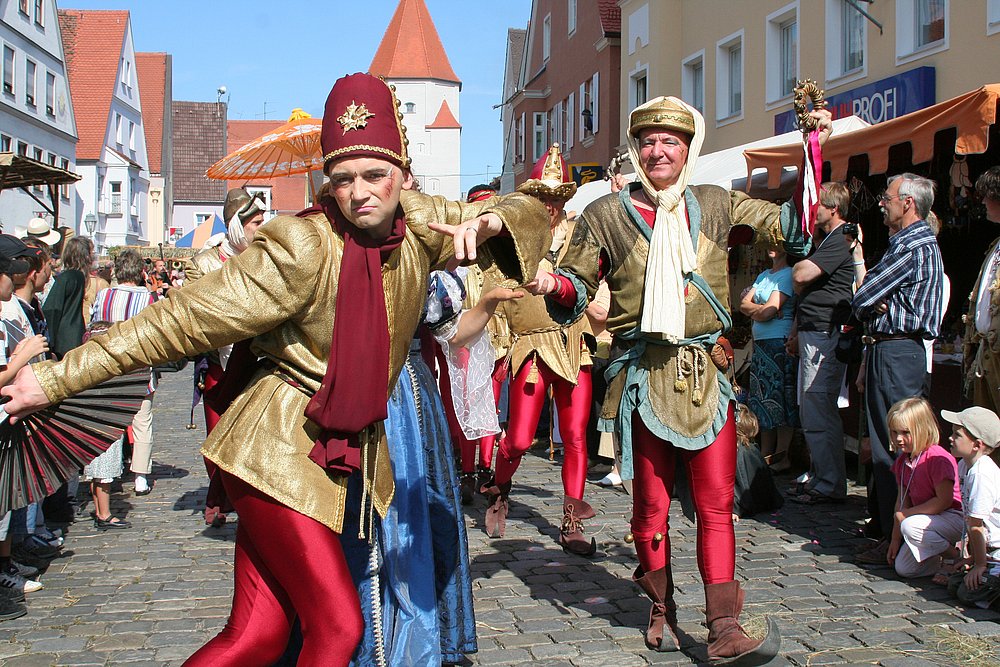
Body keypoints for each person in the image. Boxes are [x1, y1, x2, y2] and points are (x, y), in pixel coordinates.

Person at [0, 72, 547, 666]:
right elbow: (178, 320)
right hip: (275, 451)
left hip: (334, 451)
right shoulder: (299, 246)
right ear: (326, 182)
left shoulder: (419, 222)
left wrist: (489, 221)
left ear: (402, 172)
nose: (360, 192)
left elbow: (528, 211)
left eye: (374, 175)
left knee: (256, 635)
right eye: (342, 179)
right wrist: (53, 378)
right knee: (338, 628)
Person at [526, 96, 831, 661]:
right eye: (648, 140)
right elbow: (573, 282)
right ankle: (661, 604)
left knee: (717, 504)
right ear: (637, 152)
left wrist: (812, 152)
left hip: (708, 378)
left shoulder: (714, 203)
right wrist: (553, 286)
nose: (658, 149)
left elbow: (790, 226)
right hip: (645, 379)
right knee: (651, 510)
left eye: (671, 140)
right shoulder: (606, 215)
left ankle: (723, 628)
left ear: (688, 149)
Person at [481, 143, 598, 557]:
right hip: (528, 346)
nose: (550, 204)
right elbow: (491, 290)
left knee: (574, 434)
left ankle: (572, 520)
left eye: (557, 197)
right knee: (518, 438)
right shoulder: (515, 238)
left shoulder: (582, 235)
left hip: (573, 343)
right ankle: (500, 485)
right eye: (544, 196)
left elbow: (594, 281)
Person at [853, 174, 944, 563]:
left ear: (907, 203)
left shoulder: (912, 245)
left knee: (897, 443)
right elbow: (872, 297)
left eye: (886, 198)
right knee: (884, 440)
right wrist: (882, 303)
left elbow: (863, 295)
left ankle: (897, 535)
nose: (880, 204)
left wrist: (881, 303)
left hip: (897, 352)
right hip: (888, 350)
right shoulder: (906, 244)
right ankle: (886, 528)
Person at [185, 186, 267, 526]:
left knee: (255, 434)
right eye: (256, 223)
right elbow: (194, 311)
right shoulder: (204, 263)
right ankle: (219, 497)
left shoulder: (265, 256)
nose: (262, 228)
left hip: (259, 359)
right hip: (220, 360)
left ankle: (250, 500)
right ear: (237, 225)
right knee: (218, 433)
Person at [788, 182, 865, 502]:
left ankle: (830, 483)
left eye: (816, 203)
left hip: (824, 334)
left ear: (833, 209)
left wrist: (799, 269)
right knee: (812, 409)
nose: (811, 208)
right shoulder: (831, 240)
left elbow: (802, 276)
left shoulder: (843, 237)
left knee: (818, 408)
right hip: (813, 331)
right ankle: (822, 477)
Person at [89, 249, 160, 502]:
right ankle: (140, 476)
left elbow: (93, 324)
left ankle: (107, 475)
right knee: (142, 421)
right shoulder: (148, 298)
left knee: (110, 419)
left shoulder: (104, 294)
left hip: (107, 364)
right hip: (138, 365)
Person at [882, 398, 963, 579]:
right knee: (904, 569)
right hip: (925, 520)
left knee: (911, 526)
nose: (898, 439)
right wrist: (895, 539)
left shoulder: (937, 458)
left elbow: (944, 501)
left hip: (952, 517)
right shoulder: (903, 461)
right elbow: (901, 503)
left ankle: (955, 556)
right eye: (894, 432)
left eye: (905, 433)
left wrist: (906, 515)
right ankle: (937, 558)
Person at [740, 242, 797, 475]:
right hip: (761, 344)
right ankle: (765, 453)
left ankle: (781, 455)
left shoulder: (788, 274)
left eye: (777, 243)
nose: (771, 247)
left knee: (779, 397)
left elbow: (770, 310)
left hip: (778, 342)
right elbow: (744, 305)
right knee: (762, 399)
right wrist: (761, 310)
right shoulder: (764, 275)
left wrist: (761, 309)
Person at [941, 406, 1000, 606]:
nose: (950, 438)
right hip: (985, 551)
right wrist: (972, 559)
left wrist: (980, 564)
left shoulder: (982, 474)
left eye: (957, 435)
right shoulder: (964, 465)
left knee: (967, 593)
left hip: (996, 552)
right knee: (955, 585)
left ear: (976, 444)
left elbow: (976, 524)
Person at [963, 167, 1000, 428]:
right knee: (986, 435)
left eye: (988, 196)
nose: (984, 202)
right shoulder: (995, 245)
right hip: (987, 354)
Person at [41, 236, 91, 359]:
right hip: (75, 333)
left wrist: (49, 340)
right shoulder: (78, 277)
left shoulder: (68, 277)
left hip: (63, 338)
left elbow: (52, 308)